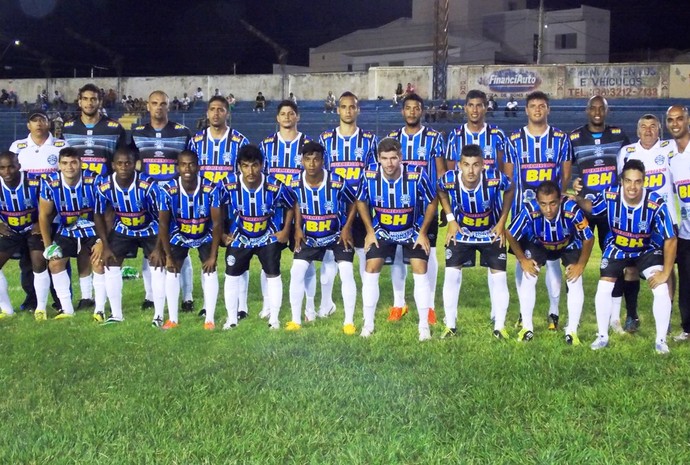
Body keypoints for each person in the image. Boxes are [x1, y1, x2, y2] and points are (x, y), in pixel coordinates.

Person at [575, 159, 676, 354]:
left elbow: (670, 239)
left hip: (646, 248)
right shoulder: (610, 195)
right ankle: (602, 336)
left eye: (637, 181)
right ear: (621, 181)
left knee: (661, 288)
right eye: (628, 181)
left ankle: (661, 340)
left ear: (644, 181)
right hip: (618, 246)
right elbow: (593, 207)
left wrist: (666, 272)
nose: (632, 186)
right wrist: (578, 199)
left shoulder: (656, 203)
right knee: (604, 286)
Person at [356, 138, 437, 341]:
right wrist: (369, 231)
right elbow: (361, 201)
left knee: (420, 268)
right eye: (385, 158)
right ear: (378, 159)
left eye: (393, 158)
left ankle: (423, 326)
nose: (389, 163)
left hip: (411, 230)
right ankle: (368, 324)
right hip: (382, 230)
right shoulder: (369, 175)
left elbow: (432, 201)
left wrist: (423, 232)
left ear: (400, 157)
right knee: (371, 267)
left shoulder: (416, 175)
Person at [505, 90, 571, 330]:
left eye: (542, 105)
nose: (537, 109)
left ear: (548, 109)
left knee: (552, 261)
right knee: (523, 263)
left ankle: (554, 312)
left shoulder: (561, 139)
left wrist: (557, 204)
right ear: (526, 110)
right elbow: (509, 177)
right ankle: (525, 313)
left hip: (552, 215)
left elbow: (564, 175)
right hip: (523, 213)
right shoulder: (513, 140)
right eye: (533, 105)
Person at [59, 83, 127, 310]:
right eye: (85, 99)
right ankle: (86, 296)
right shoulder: (67, 128)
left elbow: (122, 159)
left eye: (94, 99)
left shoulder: (114, 128)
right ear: (79, 101)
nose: (89, 103)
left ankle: (101, 297)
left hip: (104, 199)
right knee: (80, 246)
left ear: (100, 101)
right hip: (75, 199)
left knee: (99, 245)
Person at [437, 144, 514, 339]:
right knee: (451, 275)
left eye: (476, 165)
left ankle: (500, 327)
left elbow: (510, 188)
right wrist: (451, 219)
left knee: (499, 277)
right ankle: (450, 326)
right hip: (461, 232)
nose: (471, 170)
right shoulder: (449, 179)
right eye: (466, 164)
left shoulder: (494, 178)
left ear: (483, 166)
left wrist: (502, 222)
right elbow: (441, 190)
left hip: (490, 233)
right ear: (459, 166)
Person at [213, 144, 294, 330]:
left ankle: (274, 319)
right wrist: (223, 234)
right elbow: (216, 205)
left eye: (255, 165)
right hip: (240, 236)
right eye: (246, 165)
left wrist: (285, 231)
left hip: (267, 236)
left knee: (273, 275)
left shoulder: (274, 185)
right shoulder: (228, 184)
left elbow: (291, 203)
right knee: (231, 275)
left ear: (262, 165)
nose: (251, 170)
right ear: (239, 167)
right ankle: (231, 319)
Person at [570, 95, 631, 333]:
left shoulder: (619, 135)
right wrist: (574, 181)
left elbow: (629, 167)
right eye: (593, 108)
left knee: (614, 261)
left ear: (607, 111)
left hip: (610, 210)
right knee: (574, 259)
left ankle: (615, 318)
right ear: (587, 111)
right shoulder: (574, 137)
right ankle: (573, 316)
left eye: (601, 108)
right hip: (584, 207)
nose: (597, 111)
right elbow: (567, 169)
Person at [506, 181, 594, 343]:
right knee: (529, 274)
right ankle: (527, 328)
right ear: (537, 202)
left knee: (575, 278)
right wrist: (523, 260)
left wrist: (580, 265)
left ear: (560, 200)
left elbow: (588, 238)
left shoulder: (571, 210)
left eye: (553, 203)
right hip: (539, 243)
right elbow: (510, 233)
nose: (548, 209)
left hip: (568, 244)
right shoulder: (530, 209)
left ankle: (572, 331)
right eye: (543, 204)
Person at [131, 90, 194, 313]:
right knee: (149, 247)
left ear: (169, 106)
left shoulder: (182, 132)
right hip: (147, 200)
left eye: (163, 104)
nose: (159, 107)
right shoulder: (136, 132)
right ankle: (150, 294)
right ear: (147, 106)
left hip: (175, 200)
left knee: (180, 246)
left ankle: (187, 296)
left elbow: (190, 165)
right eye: (154, 103)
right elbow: (130, 162)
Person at [188, 95, 250, 319]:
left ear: (227, 113)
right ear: (207, 113)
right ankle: (208, 303)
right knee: (206, 256)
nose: (216, 113)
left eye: (221, 109)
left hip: (232, 207)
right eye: (212, 109)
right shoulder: (195, 141)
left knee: (238, 253)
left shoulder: (239, 140)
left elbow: (247, 173)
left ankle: (242, 306)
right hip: (204, 207)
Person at [387, 93, 446, 325]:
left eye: (416, 108)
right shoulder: (392, 138)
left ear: (422, 111)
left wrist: (443, 205)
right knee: (399, 255)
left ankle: (429, 306)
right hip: (397, 208)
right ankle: (398, 303)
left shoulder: (434, 138)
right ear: (402, 111)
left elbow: (441, 174)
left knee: (427, 253)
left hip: (425, 209)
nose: (412, 112)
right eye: (408, 108)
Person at [616, 114, 678, 332]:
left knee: (667, 270)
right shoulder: (627, 152)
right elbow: (621, 185)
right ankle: (632, 315)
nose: (648, 130)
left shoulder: (669, 148)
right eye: (644, 126)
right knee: (630, 268)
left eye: (653, 126)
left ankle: (666, 318)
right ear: (637, 130)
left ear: (660, 129)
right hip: (635, 222)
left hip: (665, 221)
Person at [288, 142, 358, 333]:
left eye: (316, 159)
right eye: (307, 159)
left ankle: (349, 322)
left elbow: (353, 203)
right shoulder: (294, 182)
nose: (312, 164)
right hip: (309, 237)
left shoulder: (336, 181)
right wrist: (297, 228)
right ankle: (295, 320)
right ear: (302, 160)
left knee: (346, 272)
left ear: (323, 161)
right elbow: (295, 203)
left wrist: (346, 227)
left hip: (336, 235)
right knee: (296, 271)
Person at [92, 148, 162, 324]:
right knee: (110, 263)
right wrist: (105, 244)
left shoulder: (149, 185)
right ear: (113, 165)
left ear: (135, 164)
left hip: (150, 228)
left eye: (128, 163)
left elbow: (163, 216)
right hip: (123, 228)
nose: (124, 167)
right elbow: (98, 215)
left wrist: (160, 248)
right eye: (120, 163)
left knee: (157, 264)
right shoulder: (104, 186)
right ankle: (116, 315)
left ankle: (159, 315)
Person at [260, 100, 316, 318]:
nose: (286, 117)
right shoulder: (266, 145)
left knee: (305, 259)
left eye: (291, 113)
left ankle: (309, 305)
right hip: (273, 213)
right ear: (277, 118)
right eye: (283, 113)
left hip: (303, 211)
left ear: (297, 117)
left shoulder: (308, 144)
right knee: (268, 260)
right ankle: (267, 304)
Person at [9, 110, 68, 312]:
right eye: (34, 121)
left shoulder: (60, 146)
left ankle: (61, 300)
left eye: (42, 120)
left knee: (57, 255)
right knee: (29, 260)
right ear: (28, 125)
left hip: (54, 213)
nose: (39, 124)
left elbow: (65, 178)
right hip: (26, 213)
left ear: (48, 124)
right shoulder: (18, 147)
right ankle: (31, 299)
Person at [155, 150, 221, 329]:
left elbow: (216, 224)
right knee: (172, 270)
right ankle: (173, 318)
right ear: (178, 167)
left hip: (204, 234)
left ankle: (210, 319)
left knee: (210, 269)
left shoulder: (211, 189)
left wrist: (213, 256)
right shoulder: (168, 190)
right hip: (179, 235)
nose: (187, 168)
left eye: (191, 164)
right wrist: (167, 255)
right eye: (183, 164)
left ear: (198, 166)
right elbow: (163, 224)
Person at [38, 147, 104, 320]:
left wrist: (101, 240)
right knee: (55, 263)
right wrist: (48, 246)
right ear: (59, 165)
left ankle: (98, 307)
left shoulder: (94, 179)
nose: (70, 167)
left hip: (93, 228)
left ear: (80, 163)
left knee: (98, 260)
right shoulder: (50, 182)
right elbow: (44, 215)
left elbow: (106, 212)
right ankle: (67, 310)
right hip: (66, 229)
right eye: (65, 163)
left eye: (74, 162)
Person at [319, 91, 378, 279]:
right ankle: (327, 304)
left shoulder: (369, 139)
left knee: (363, 251)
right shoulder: (325, 139)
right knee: (330, 255)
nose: (348, 111)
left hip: (362, 207)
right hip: (334, 208)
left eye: (352, 107)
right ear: (337, 110)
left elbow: (372, 176)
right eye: (344, 107)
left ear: (358, 110)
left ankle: (365, 295)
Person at [0, 151, 48, 320]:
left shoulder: (35, 182)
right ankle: (6, 310)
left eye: (11, 167)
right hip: (10, 230)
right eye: (2, 168)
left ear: (18, 166)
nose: (7, 172)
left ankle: (40, 308)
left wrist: (40, 223)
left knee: (39, 261)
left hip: (33, 229)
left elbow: (50, 204)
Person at [666, 105, 690, 342]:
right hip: (685, 232)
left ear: (687, 120)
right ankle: (688, 328)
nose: (675, 124)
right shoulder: (670, 154)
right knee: (686, 281)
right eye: (671, 120)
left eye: (679, 119)